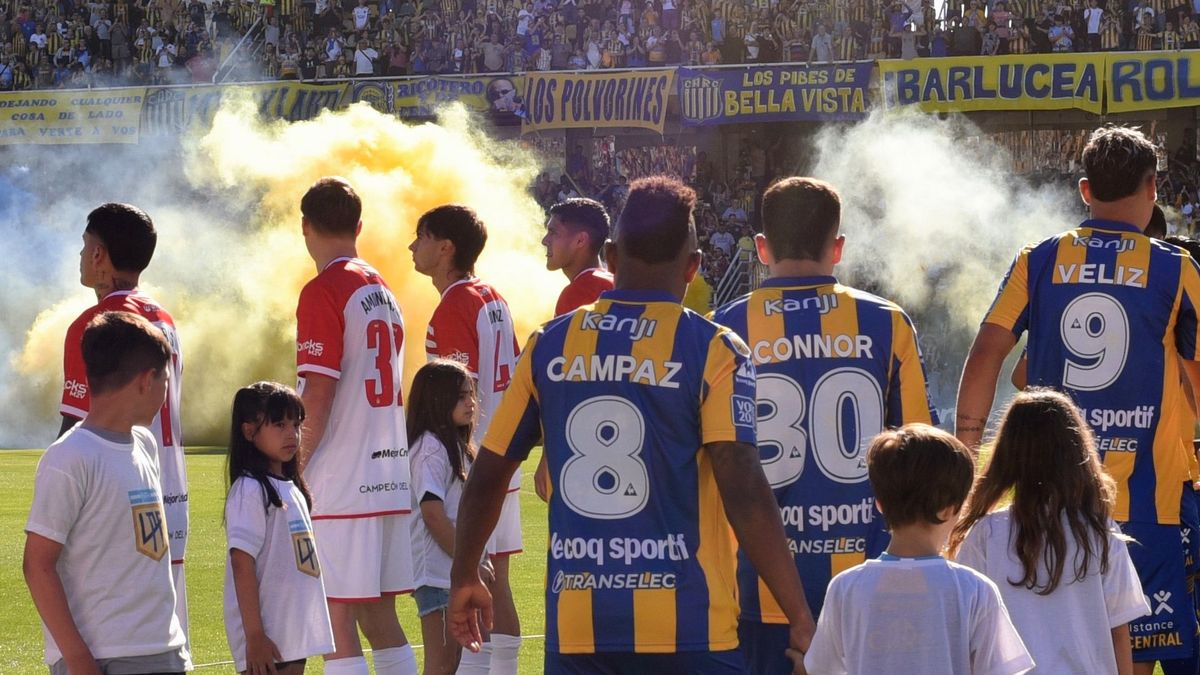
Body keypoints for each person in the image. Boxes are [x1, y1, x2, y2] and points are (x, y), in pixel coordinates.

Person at [447, 176, 816, 672]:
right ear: (693, 267)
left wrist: (465, 574)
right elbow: (744, 486)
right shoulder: (715, 348)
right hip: (690, 627)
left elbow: (489, 471)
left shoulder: (549, 344)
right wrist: (798, 613)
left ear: (611, 258)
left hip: (579, 629)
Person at [957, 125, 1200, 674]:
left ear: (1085, 190)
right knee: (1134, 659)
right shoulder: (1177, 267)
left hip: (1046, 504)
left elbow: (988, 353)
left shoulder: (1038, 258)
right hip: (1149, 505)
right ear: (1153, 188)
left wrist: (967, 459)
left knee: (1041, 650)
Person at [711, 177, 938, 675]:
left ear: (762, 248)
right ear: (837, 248)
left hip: (754, 588)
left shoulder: (719, 331)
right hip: (871, 582)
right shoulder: (887, 322)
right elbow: (926, 455)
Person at [294, 177, 416, 675]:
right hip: (389, 473)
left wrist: (291, 466)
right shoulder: (383, 288)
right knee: (379, 613)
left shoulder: (324, 289)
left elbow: (318, 393)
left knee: (335, 616)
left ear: (305, 226)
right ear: (358, 226)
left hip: (343, 479)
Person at [25, 311, 190, 675]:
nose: (167, 393)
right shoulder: (69, 457)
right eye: (165, 380)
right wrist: (77, 658)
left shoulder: (144, 444)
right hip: (104, 656)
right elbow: (37, 565)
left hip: (164, 648)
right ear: (146, 380)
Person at [58, 202, 190, 645]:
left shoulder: (97, 325)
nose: (81, 255)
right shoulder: (164, 319)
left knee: (113, 643)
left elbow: (75, 429)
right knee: (165, 638)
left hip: (118, 500)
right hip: (171, 493)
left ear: (99, 255)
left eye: (84, 246)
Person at [804, 425, 1034, 674]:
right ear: (948, 510)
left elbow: (822, 668)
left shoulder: (845, 588)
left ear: (880, 504)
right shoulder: (975, 590)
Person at [948, 389, 1149, 674]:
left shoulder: (985, 535)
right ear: (1076, 453)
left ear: (1007, 454)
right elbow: (1119, 633)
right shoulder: (1101, 534)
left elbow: (965, 634)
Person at [408, 204, 522, 674]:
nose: (412, 246)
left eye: (420, 236)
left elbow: (458, 390)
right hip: (502, 455)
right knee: (497, 582)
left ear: (445, 247)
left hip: (471, 466)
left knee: (467, 582)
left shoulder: (455, 304)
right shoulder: (493, 297)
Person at [223, 382, 334, 675]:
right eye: (279, 424)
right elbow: (241, 562)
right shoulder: (250, 489)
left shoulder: (292, 488)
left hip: (292, 631)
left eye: (296, 425)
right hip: (267, 636)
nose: (291, 434)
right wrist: (255, 636)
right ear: (249, 432)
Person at [407, 360, 487, 675]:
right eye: (461, 397)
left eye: (471, 395)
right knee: (440, 665)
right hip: (438, 574)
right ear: (436, 400)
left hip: (454, 573)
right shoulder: (430, 448)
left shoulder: (456, 445)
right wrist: (469, 563)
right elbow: (433, 514)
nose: (471, 403)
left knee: (451, 664)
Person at [533, 197, 615, 502]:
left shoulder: (579, 292)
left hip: (588, 437)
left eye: (553, 232)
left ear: (580, 240)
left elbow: (569, 376)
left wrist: (549, 454)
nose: (545, 240)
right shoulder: (612, 281)